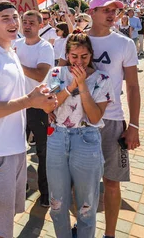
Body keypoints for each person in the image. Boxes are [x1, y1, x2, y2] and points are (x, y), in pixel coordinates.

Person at [0, 1, 57, 238]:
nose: (14, 22)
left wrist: (41, 101)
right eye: (5, 18)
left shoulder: (10, 52)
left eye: (15, 17)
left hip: (15, 148)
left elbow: (18, 95)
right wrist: (30, 101)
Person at [59, 0, 140, 238]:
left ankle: (110, 234)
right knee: (77, 182)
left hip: (112, 120)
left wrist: (134, 125)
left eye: (115, 10)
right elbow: (62, 75)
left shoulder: (125, 43)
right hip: (77, 121)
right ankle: (82, 227)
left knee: (112, 183)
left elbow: (134, 86)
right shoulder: (77, 40)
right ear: (92, 12)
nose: (112, 14)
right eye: (106, 9)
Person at [47, 33, 111, 238]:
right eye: (74, 56)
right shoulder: (56, 73)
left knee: (86, 205)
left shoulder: (102, 79)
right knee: (57, 203)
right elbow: (50, 104)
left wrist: (82, 85)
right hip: (57, 138)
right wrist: (71, 86)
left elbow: (94, 117)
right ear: (67, 54)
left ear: (91, 55)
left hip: (86, 139)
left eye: (84, 56)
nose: (79, 61)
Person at [14, 10, 55, 207]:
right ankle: (21, 186)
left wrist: (15, 62)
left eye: (31, 22)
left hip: (38, 106)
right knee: (16, 148)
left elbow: (40, 75)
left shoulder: (45, 47)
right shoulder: (16, 44)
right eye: (24, 22)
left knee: (43, 151)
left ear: (40, 25)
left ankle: (46, 192)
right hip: (18, 103)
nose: (27, 25)